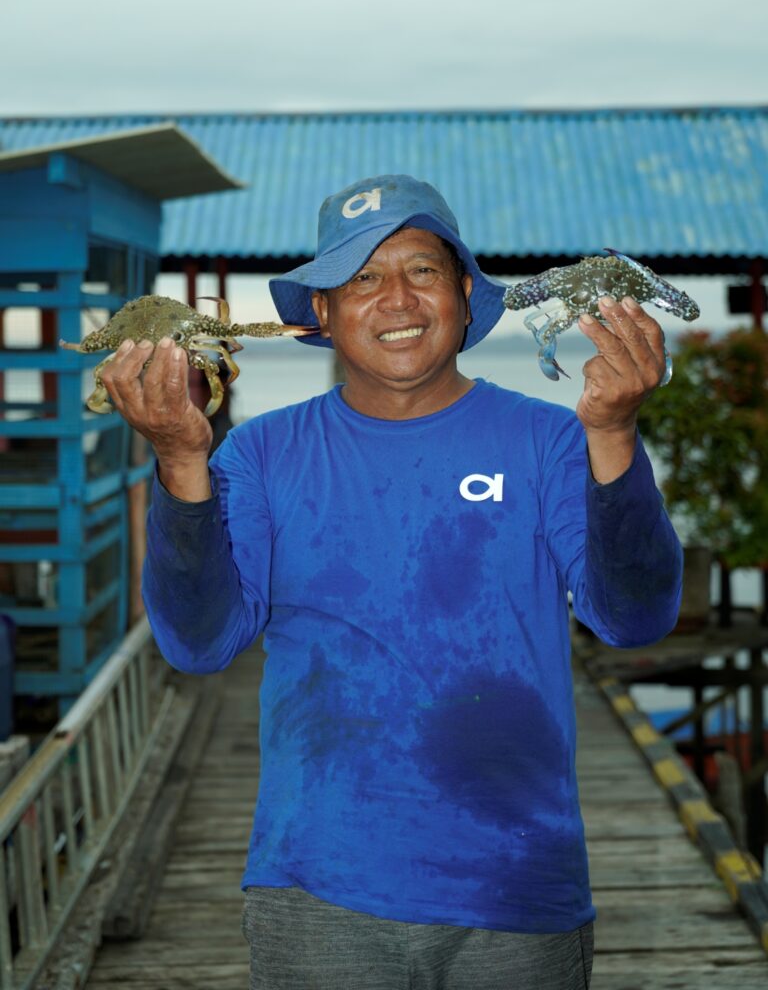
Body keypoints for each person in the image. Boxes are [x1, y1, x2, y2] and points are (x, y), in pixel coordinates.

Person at [101, 174, 682, 990]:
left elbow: (635, 617)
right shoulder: (262, 455)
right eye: (361, 278)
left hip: (517, 886)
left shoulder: (551, 439)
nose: (396, 298)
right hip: (316, 892)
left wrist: (616, 433)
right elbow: (197, 643)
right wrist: (179, 458)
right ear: (324, 312)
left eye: (422, 270)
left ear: (463, 293)